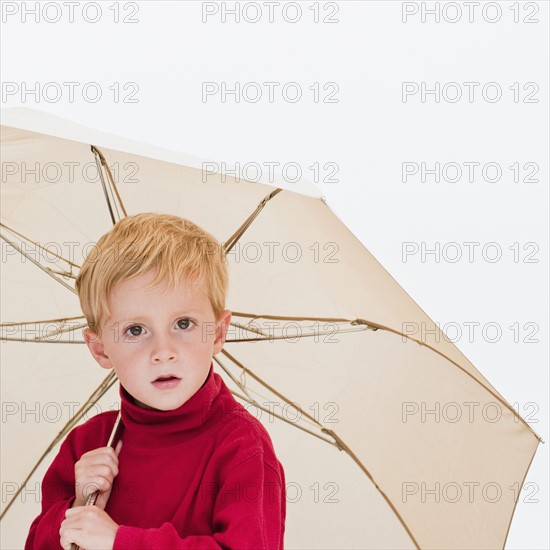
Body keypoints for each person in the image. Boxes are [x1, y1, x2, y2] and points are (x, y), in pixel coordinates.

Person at [25, 213, 286, 550]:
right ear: (100, 349)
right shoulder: (88, 445)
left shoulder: (241, 446)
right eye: (136, 330)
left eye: (183, 323)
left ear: (218, 332)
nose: (163, 352)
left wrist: (121, 542)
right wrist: (76, 511)